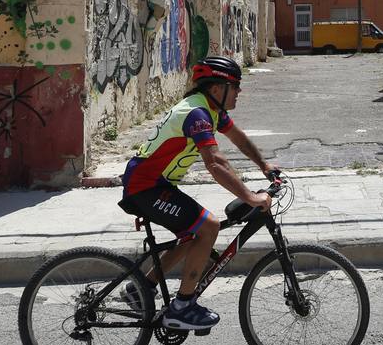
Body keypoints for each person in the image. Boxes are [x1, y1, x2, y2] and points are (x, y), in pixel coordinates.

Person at [118, 55, 278, 330]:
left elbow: (238, 137)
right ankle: (182, 307)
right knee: (208, 226)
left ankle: (141, 288)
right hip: (145, 186)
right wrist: (251, 198)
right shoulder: (197, 114)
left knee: (193, 232)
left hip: (157, 184)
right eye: (236, 86)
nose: (239, 91)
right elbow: (215, 163)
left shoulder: (211, 110)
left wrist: (263, 164)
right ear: (217, 89)